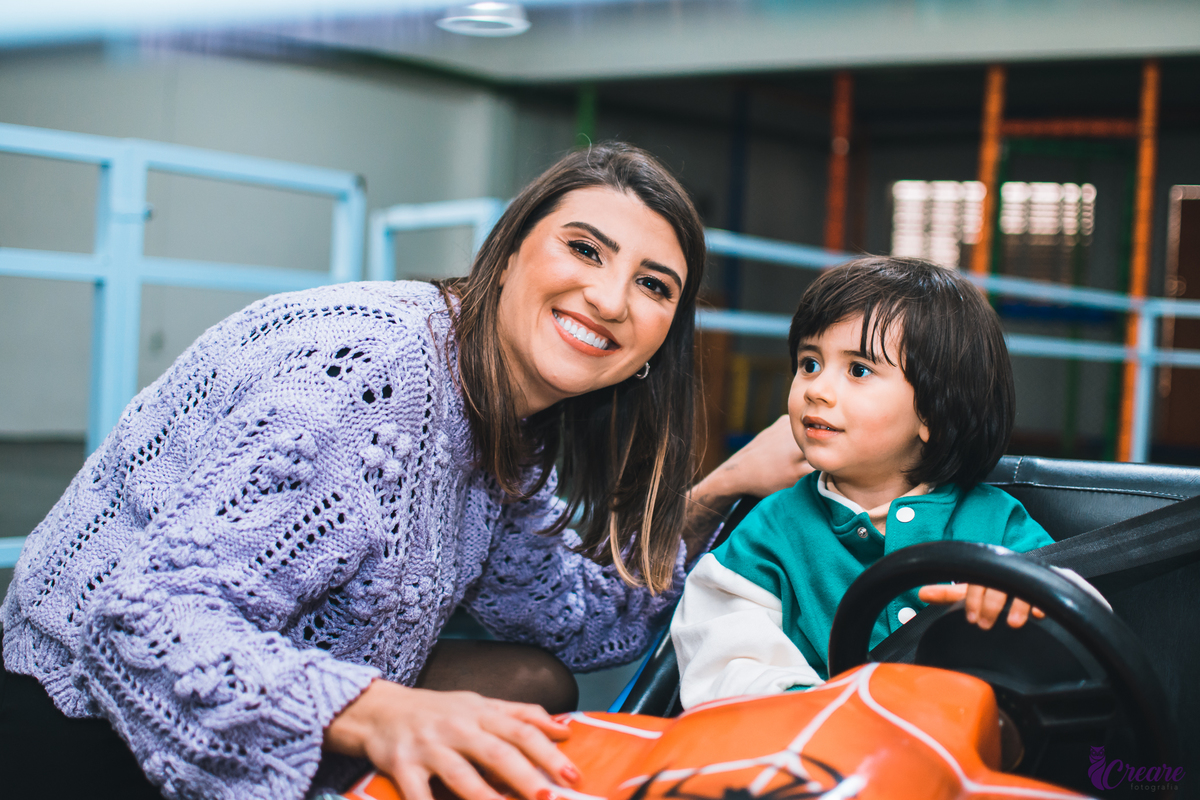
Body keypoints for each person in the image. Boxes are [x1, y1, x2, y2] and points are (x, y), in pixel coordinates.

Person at [0, 143, 808, 800]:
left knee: (531, 682)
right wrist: (376, 713)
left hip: (283, 660)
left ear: (662, 339)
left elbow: (575, 618)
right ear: (511, 250)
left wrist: (720, 490)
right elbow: (141, 623)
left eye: (652, 285)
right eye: (584, 248)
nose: (607, 298)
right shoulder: (369, 374)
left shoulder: (506, 424)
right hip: (82, 713)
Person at [671, 256, 1102, 710]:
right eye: (809, 363)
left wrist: (1024, 603)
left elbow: (1090, 621)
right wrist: (815, 711)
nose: (815, 388)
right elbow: (724, 661)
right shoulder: (771, 532)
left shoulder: (995, 523)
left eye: (858, 370)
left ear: (934, 413)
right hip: (822, 764)